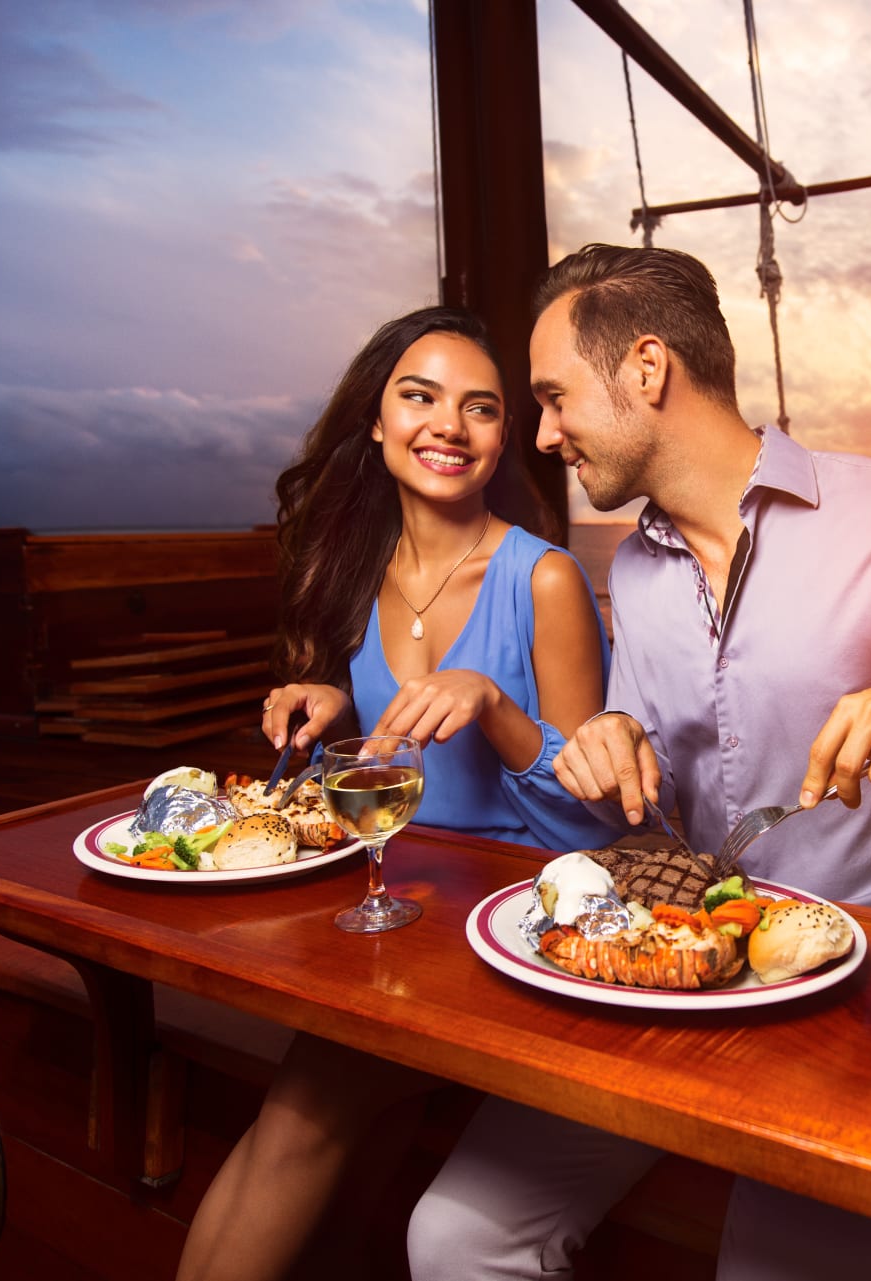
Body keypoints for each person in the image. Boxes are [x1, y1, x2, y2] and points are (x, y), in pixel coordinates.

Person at [404, 246, 871, 1280]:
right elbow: (640, 764)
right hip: (681, 971)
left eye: (553, 397)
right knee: (453, 1235)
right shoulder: (632, 564)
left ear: (646, 368)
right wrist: (610, 742)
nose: (541, 435)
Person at [177, 306, 617, 1281]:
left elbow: (596, 827)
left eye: (481, 407)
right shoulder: (346, 575)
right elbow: (352, 779)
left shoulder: (543, 580)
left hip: (515, 928)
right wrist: (325, 707)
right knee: (318, 1145)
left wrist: (496, 708)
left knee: (299, 1120)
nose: (448, 427)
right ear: (376, 422)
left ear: (506, 438)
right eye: (419, 398)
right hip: (392, 918)